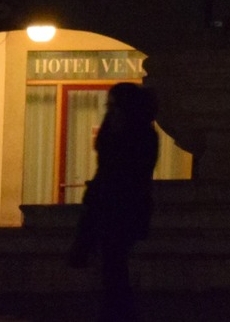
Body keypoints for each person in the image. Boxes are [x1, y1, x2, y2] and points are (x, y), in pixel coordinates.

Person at [67, 82, 160, 322]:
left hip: (121, 205)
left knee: (113, 263)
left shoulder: (139, 134)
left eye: (114, 104)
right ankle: (117, 310)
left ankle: (117, 312)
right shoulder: (122, 129)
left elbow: (128, 172)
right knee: (112, 263)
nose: (109, 108)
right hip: (109, 203)